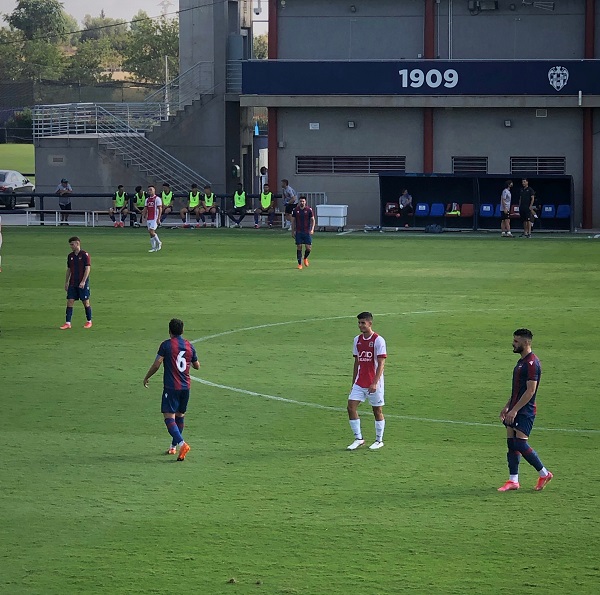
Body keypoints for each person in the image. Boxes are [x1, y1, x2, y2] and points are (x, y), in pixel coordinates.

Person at [498, 328, 553, 492]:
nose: (513, 344)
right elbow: (517, 389)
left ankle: (544, 473)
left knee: (520, 444)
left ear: (526, 342)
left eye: (516, 341)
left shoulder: (531, 364)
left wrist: (514, 410)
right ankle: (513, 480)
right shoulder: (521, 362)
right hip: (515, 407)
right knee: (511, 443)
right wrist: (508, 406)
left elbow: (530, 391)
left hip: (524, 410)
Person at [143, 318, 200, 461]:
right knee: (180, 416)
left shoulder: (166, 346)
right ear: (182, 331)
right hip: (186, 387)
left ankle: (182, 444)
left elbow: (157, 364)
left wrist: (147, 376)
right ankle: (173, 447)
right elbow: (197, 365)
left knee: (169, 417)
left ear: (169, 331)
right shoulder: (189, 346)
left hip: (172, 387)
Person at [347, 311, 387, 451]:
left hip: (374, 383)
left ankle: (379, 440)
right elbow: (357, 362)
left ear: (370, 323)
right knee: (351, 407)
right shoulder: (356, 340)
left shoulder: (378, 340)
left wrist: (375, 382)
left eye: (363, 323)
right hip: (360, 382)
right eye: (359, 323)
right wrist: (353, 382)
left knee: (377, 411)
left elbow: (381, 363)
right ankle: (359, 438)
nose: (360, 325)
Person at [60, 236, 92, 329]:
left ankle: (89, 321)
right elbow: (69, 269)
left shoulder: (85, 255)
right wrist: (66, 282)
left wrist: (83, 281)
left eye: (72, 244)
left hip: (82, 283)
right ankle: (68, 323)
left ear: (77, 243)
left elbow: (87, 269)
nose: (71, 246)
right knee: (70, 301)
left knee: (85, 302)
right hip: (73, 282)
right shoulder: (70, 256)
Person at [291, 195, 314, 269]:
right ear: (299, 202)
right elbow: (293, 221)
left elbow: (313, 220)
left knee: (308, 248)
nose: (302, 202)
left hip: (307, 231)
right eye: (300, 201)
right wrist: (292, 231)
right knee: (299, 247)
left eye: (303, 201)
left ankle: (305, 258)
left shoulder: (309, 210)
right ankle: (299, 264)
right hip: (299, 231)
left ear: (305, 202)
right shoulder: (295, 210)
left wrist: (312, 229)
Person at [142, 185, 163, 252]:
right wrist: (144, 216)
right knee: (150, 233)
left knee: (151, 231)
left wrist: (158, 218)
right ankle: (153, 247)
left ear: (154, 190)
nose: (149, 191)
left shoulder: (157, 199)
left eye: (151, 190)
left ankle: (159, 242)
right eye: (149, 190)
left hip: (154, 218)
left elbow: (160, 209)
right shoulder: (147, 199)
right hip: (149, 218)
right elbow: (145, 208)